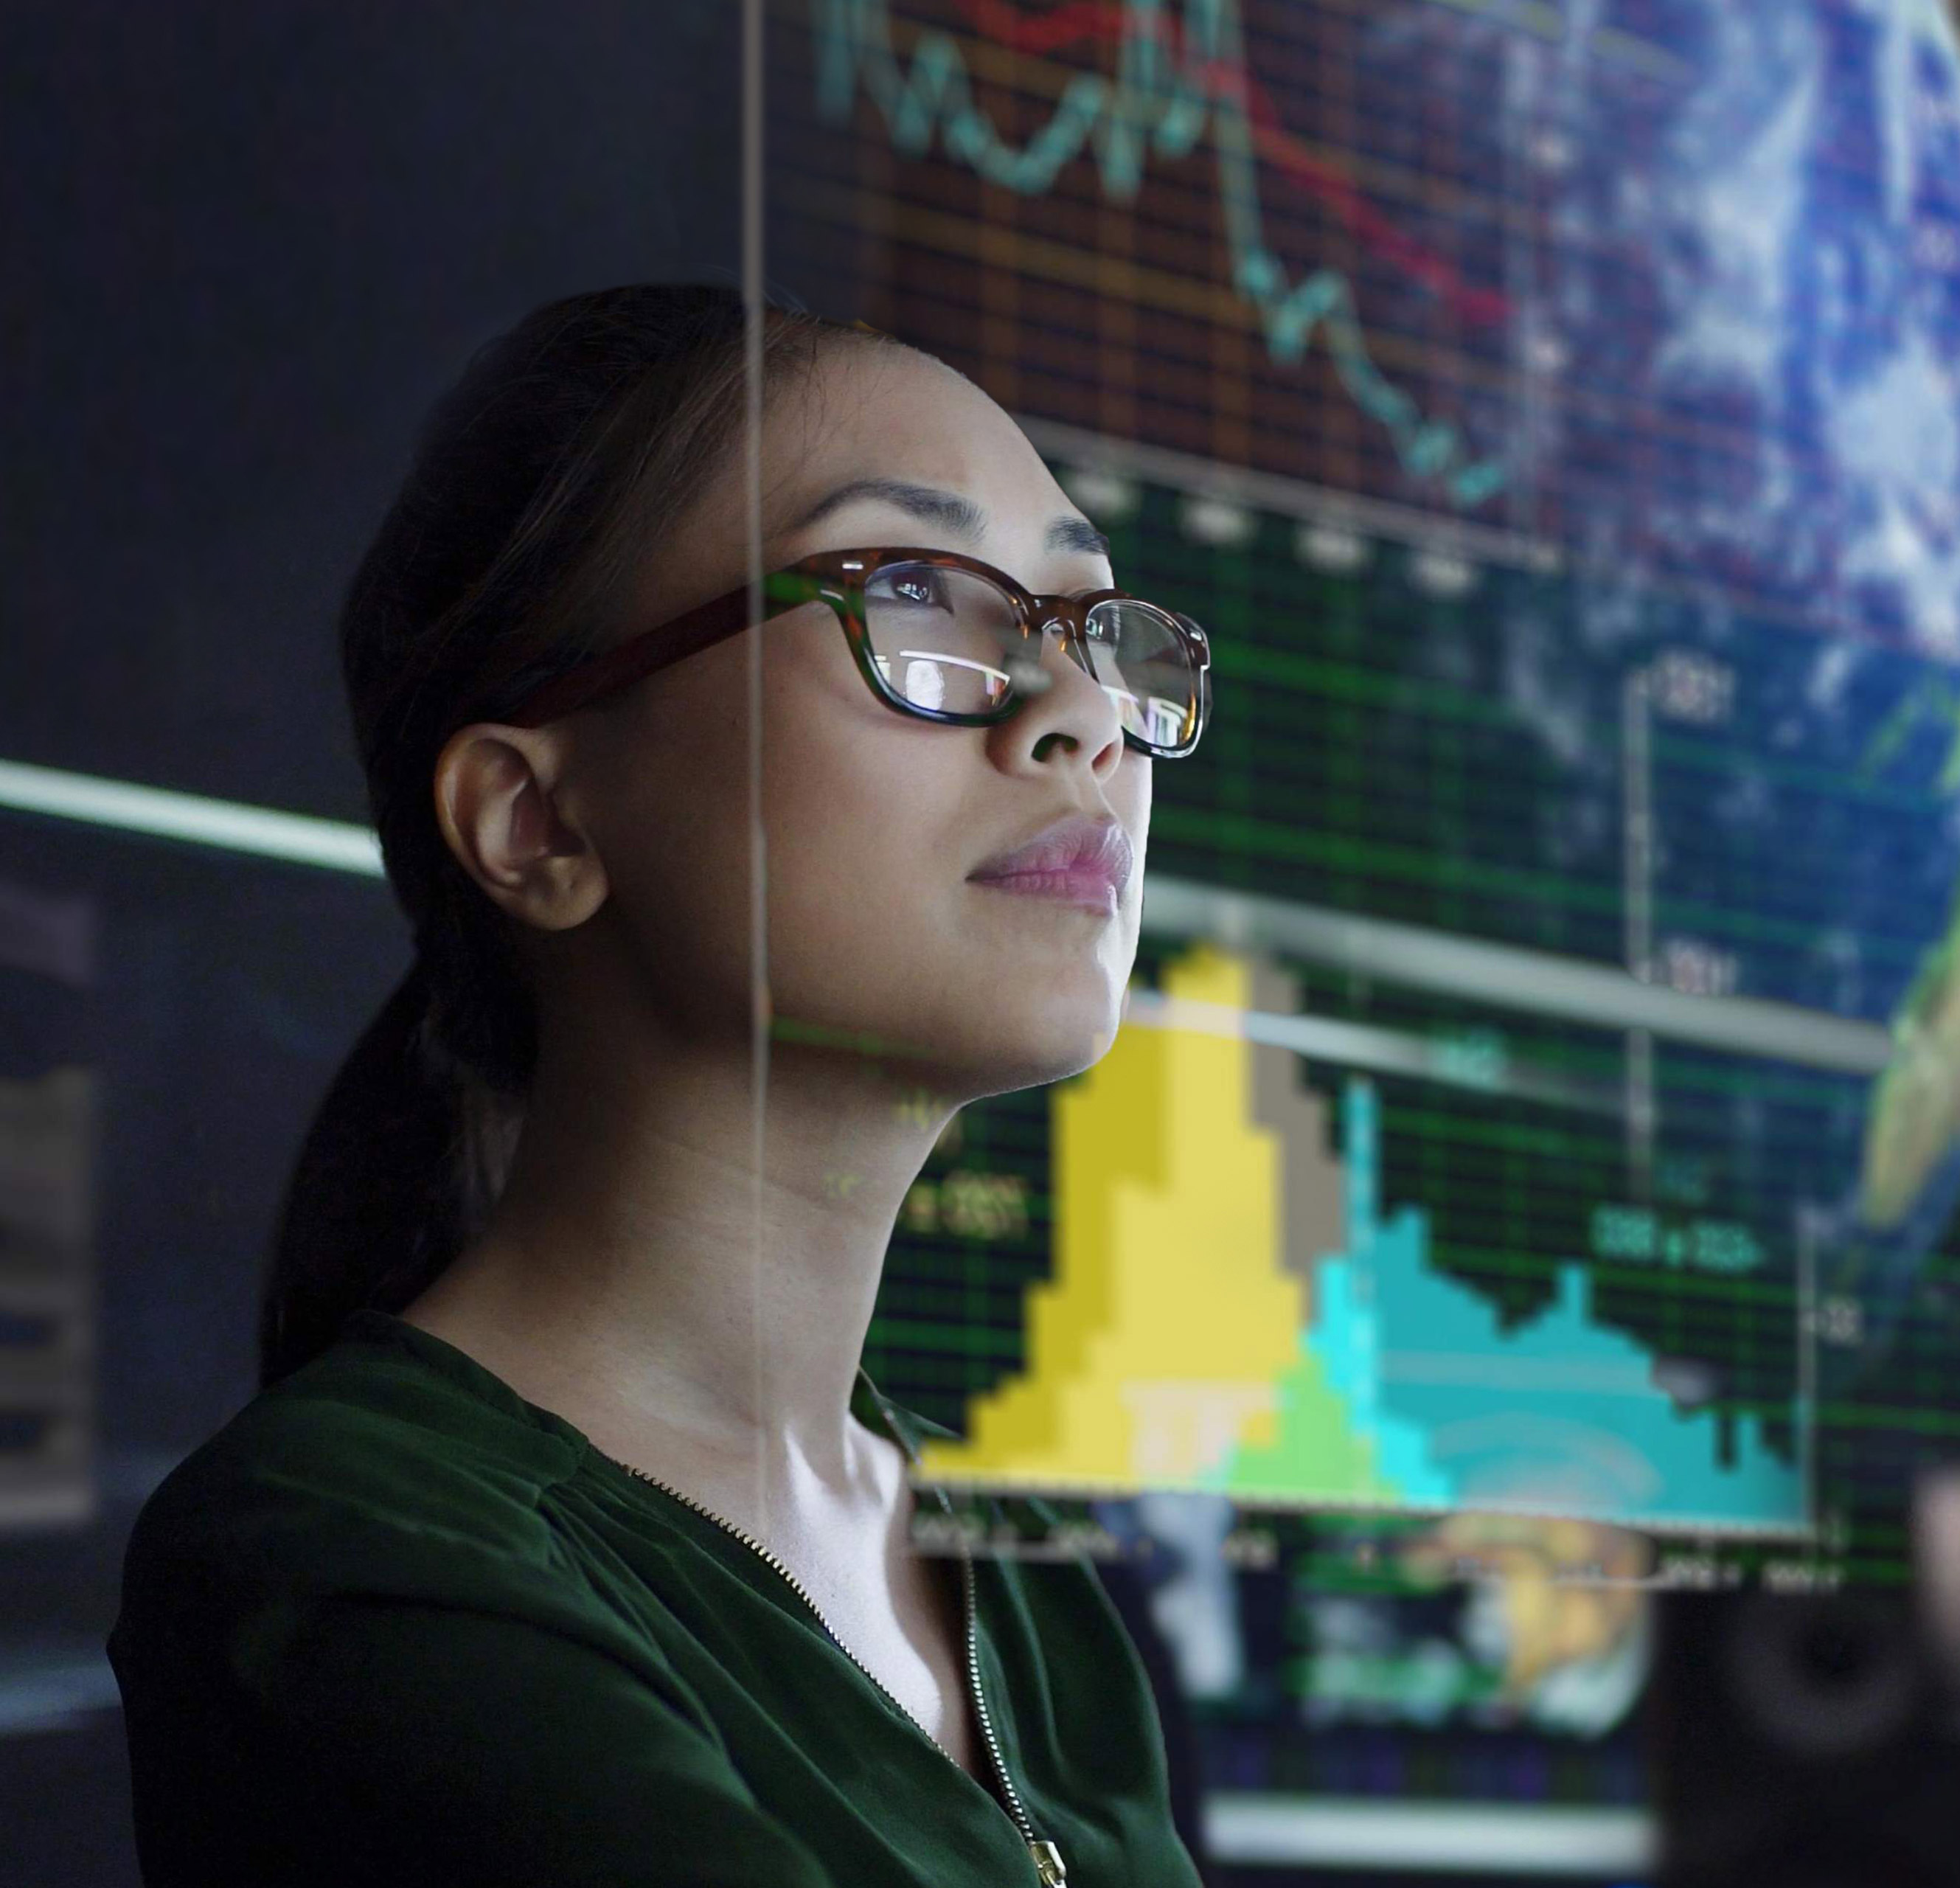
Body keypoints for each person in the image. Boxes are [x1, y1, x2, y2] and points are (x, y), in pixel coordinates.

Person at [105, 282, 1216, 1887]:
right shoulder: (359, 1556)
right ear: (535, 823)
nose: (1082, 720)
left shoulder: (1019, 1583)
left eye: (1088, 625)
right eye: (915, 597)